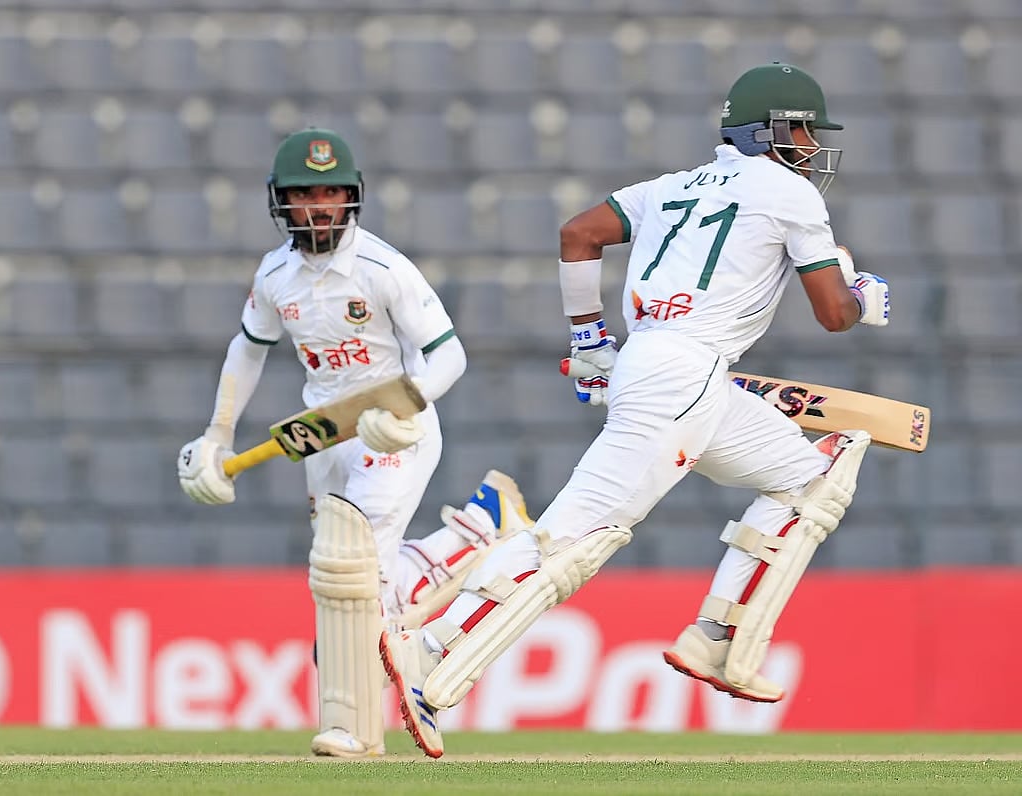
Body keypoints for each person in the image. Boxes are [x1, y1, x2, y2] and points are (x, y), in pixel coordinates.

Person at [379, 63, 891, 758]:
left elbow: (578, 233)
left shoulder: (669, 187)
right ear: (767, 131)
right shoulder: (791, 193)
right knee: (575, 540)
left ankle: (719, 639)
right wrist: (861, 295)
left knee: (813, 478)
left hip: (669, 368)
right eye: (802, 131)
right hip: (684, 376)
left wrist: (590, 340)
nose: (811, 145)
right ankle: (429, 650)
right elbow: (832, 315)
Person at [175, 127, 533, 759]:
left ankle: (355, 730)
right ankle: (480, 526)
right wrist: (217, 434)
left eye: (331, 193)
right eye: (305, 195)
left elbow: (449, 355)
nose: (319, 207)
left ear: (352, 197)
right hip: (323, 436)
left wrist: (407, 404)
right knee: (340, 579)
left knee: (352, 573)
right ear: (281, 201)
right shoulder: (276, 275)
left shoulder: (383, 268)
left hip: (394, 430)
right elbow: (247, 350)